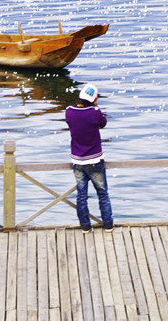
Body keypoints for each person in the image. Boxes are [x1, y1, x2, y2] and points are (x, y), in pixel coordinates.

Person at [65, 83, 113, 233]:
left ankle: (85, 226)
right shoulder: (95, 112)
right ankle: (107, 224)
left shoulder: (69, 111)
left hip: (77, 160)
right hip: (94, 160)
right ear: (94, 99)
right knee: (102, 193)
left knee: (81, 195)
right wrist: (96, 107)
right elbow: (103, 123)